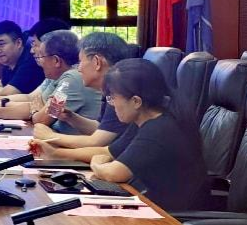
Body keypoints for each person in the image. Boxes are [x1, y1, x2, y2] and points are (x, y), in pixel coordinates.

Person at [88, 58, 207, 211]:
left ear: (136, 101)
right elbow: (112, 153)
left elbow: (114, 173)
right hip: (153, 205)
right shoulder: (146, 119)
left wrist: (96, 164)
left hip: (171, 215)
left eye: (113, 98)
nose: (112, 104)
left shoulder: (159, 129)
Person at [0, 31, 101, 134]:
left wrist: (36, 108)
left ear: (56, 61)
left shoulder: (72, 79)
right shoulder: (57, 77)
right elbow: (36, 102)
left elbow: (41, 119)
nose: (39, 62)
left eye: (41, 57)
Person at [30, 32, 130, 157]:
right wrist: (71, 117)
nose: (79, 68)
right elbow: (101, 128)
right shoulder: (110, 90)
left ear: (97, 62)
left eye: (81, 61)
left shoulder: (121, 93)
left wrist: (50, 137)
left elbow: (97, 141)